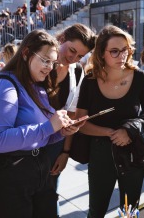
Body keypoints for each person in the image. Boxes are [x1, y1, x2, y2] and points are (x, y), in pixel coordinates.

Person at [0, 29, 83, 218]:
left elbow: (38, 138)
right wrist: (49, 127)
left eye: (53, 62)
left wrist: (60, 132)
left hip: (35, 178)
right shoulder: (3, 86)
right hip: (5, 184)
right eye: (45, 60)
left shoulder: (34, 85)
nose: (50, 67)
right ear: (26, 54)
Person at [75, 25, 144, 217]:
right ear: (102, 53)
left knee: (129, 211)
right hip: (100, 153)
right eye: (115, 51)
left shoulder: (140, 77)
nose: (122, 56)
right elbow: (80, 122)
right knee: (96, 210)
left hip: (133, 151)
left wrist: (129, 131)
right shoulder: (90, 81)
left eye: (125, 50)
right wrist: (111, 133)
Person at [45, 23, 96, 217]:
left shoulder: (76, 72)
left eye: (80, 56)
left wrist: (65, 151)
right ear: (62, 38)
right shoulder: (39, 62)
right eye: (71, 50)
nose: (73, 58)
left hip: (54, 146)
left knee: (50, 197)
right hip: (26, 144)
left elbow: (71, 116)